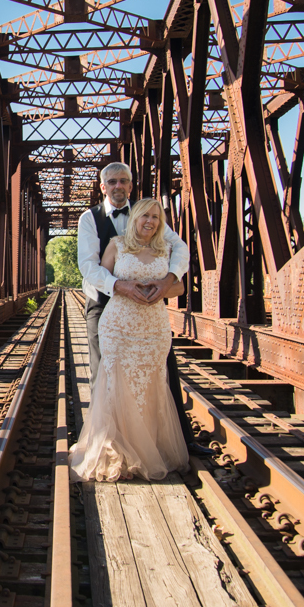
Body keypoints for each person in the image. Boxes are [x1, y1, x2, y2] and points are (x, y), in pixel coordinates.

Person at [76, 162, 213, 458]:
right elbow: (88, 265)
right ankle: (103, 440)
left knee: (164, 368)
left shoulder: (147, 213)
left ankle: (180, 439)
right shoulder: (90, 218)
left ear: (130, 184)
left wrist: (169, 280)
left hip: (148, 306)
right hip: (105, 302)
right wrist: (119, 286)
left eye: (123, 181)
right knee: (104, 370)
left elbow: (180, 247)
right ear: (103, 187)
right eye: (111, 182)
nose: (118, 186)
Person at [70, 197, 190, 481]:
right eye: (145, 216)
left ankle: (148, 449)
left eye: (156, 217)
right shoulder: (116, 244)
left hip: (153, 327)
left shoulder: (167, 248)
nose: (150, 221)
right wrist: (121, 287)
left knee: (150, 384)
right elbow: (96, 275)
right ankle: (115, 451)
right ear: (135, 217)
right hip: (119, 324)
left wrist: (163, 288)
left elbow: (180, 287)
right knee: (115, 383)